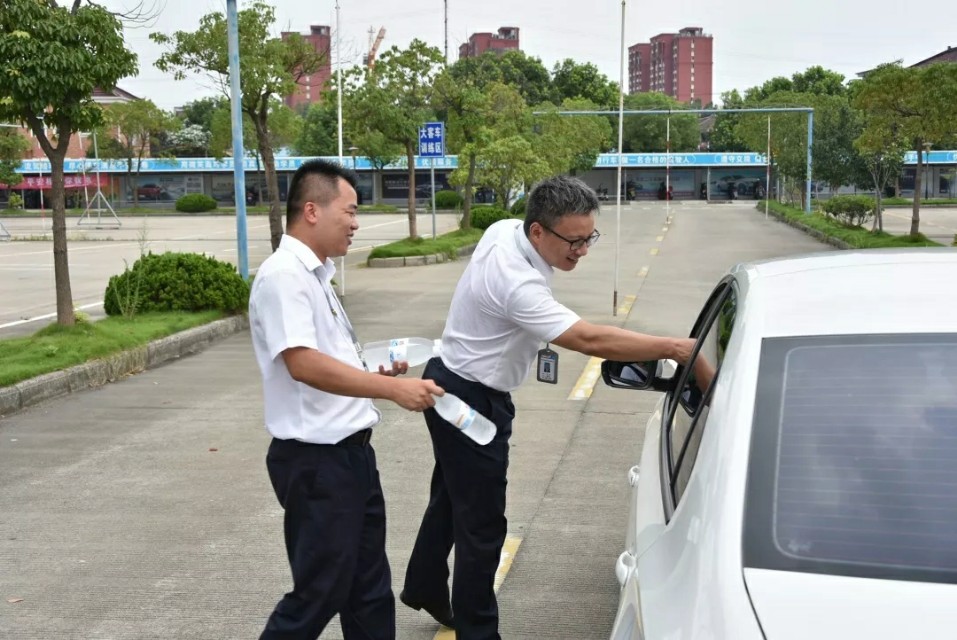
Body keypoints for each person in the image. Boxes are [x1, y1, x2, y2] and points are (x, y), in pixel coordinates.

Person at [401, 175, 697, 639]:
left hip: (451, 378)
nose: (583, 250)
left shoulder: (504, 229)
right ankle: (478, 632)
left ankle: (424, 585)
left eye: (589, 238)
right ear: (538, 231)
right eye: (574, 241)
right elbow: (589, 339)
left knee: (451, 497)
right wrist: (676, 348)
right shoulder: (516, 282)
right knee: (483, 526)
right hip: (468, 402)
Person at [249, 158, 444, 640]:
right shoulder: (284, 276)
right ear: (312, 210)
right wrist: (393, 388)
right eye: (351, 211)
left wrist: (372, 372)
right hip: (316, 463)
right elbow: (304, 364)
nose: (357, 223)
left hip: (351, 456)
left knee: (369, 590)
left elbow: (327, 357)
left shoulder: (318, 274)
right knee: (320, 593)